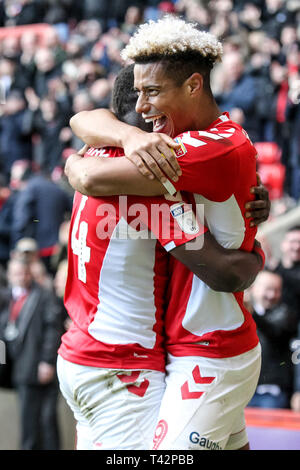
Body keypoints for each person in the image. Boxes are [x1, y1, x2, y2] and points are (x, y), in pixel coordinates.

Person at [66, 16, 271, 451]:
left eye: (153, 93)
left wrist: (76, 162)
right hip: (153, 354)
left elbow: (87, 161)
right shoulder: (170, 165)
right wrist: (257, 254)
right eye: (138, 95)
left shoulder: (201, 151)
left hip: (207, 350)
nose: (143, 107)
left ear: (194, 85)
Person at [0, 257, 64, 450]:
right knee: (28, 425)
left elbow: (53, 330)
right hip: (19, 370)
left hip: (39, 368)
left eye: (24, 273)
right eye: (16, 274)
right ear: (10, 276)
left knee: (47, 422)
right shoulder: (8, 298)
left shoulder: (43, 295)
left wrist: (47, 361)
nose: (21, 277)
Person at [247, 269, 298, 409]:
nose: (272, 295)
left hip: (272, 393)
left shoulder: (286, 315)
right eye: (268, 289)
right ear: (253, 288)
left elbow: (273, 330)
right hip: (243, 389)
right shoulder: (240, 314)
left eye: (276, 290)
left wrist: (249, 312)